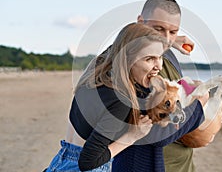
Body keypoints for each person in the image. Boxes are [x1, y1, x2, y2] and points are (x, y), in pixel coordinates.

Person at [113, 0, 222, 172]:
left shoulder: (168, 54)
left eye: (173, 31)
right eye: (158, 28)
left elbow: (179, 106)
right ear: (140, 22)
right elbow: (156, 133)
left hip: (184, 164)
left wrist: (203, 129)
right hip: (157, 166)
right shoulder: (132, 66)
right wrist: (199, 105)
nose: (165, 39)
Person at [44, 23, 171, 171]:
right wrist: (132, 136)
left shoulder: (94, 73)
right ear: (127, 59)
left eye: (160, 57)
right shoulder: (121, 101)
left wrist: (172, 40)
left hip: (60, 161)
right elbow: (88, 161)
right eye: (149, 59)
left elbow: (120, 44)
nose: (159, 66)